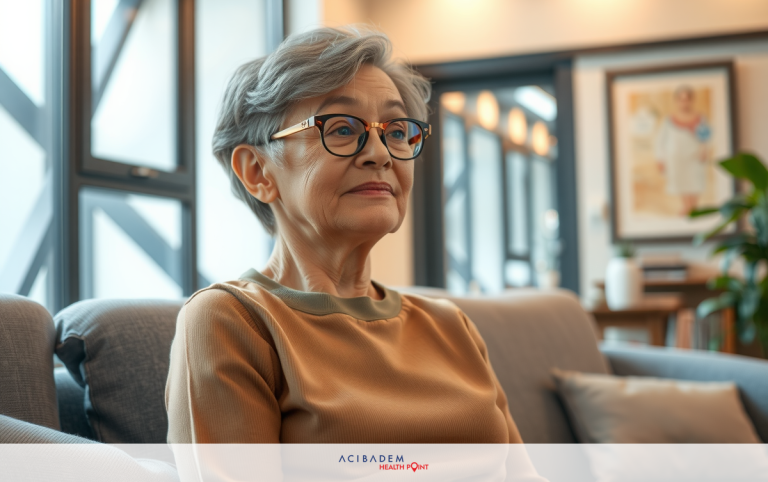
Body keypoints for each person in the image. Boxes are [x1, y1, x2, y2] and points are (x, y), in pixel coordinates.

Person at [164, 26, 523, 444]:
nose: (381, 153)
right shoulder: (231, 322)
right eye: (341, 128)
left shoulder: (451, 326)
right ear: (257, 172)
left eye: (394, 132)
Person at [655, 85, 712, 215]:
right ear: (676, 101)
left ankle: (694, 207)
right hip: (676, 158)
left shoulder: (701, 118)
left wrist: (704, 150)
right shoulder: (669, 120)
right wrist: (660, 159)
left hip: (694, 156)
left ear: (692, 100)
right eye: (681, 99)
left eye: (687, 99)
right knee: (682, 182)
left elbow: (705, 137)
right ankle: (686, 206)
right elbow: (660, 141)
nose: (684, 103)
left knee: (695, 180)